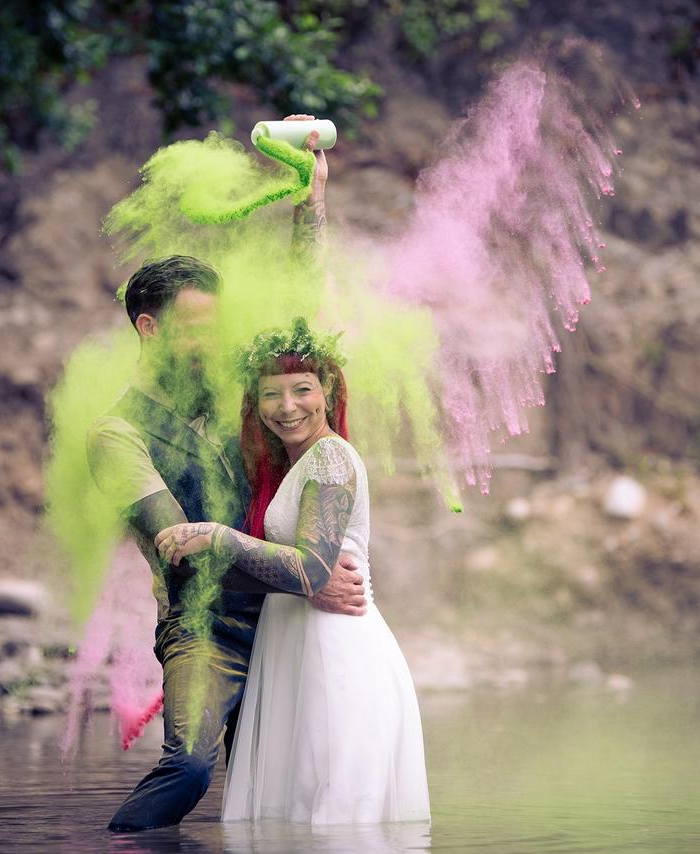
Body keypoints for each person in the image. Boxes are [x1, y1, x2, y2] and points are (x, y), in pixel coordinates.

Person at [87, 118, 367, 834]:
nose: (216, 340)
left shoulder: (237, 383)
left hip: (291, 615)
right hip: (208, 627)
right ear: (150, 330)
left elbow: (301, 311)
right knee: (188, 765)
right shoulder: (115, 435)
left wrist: (312, 200)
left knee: (277, 794)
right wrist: (304, 571)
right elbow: (180, 552)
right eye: (197, 327)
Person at [156, 318, 431, 824]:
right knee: (294, 812)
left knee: (330, 810)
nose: (287, 407)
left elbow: (310, 570)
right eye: (270, 395)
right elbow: (295, 574)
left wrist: (219, 536)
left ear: (326, 390)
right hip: (294, 641)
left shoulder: (329, 457)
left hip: (333, 649)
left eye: (301, 390)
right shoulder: (294, 464)